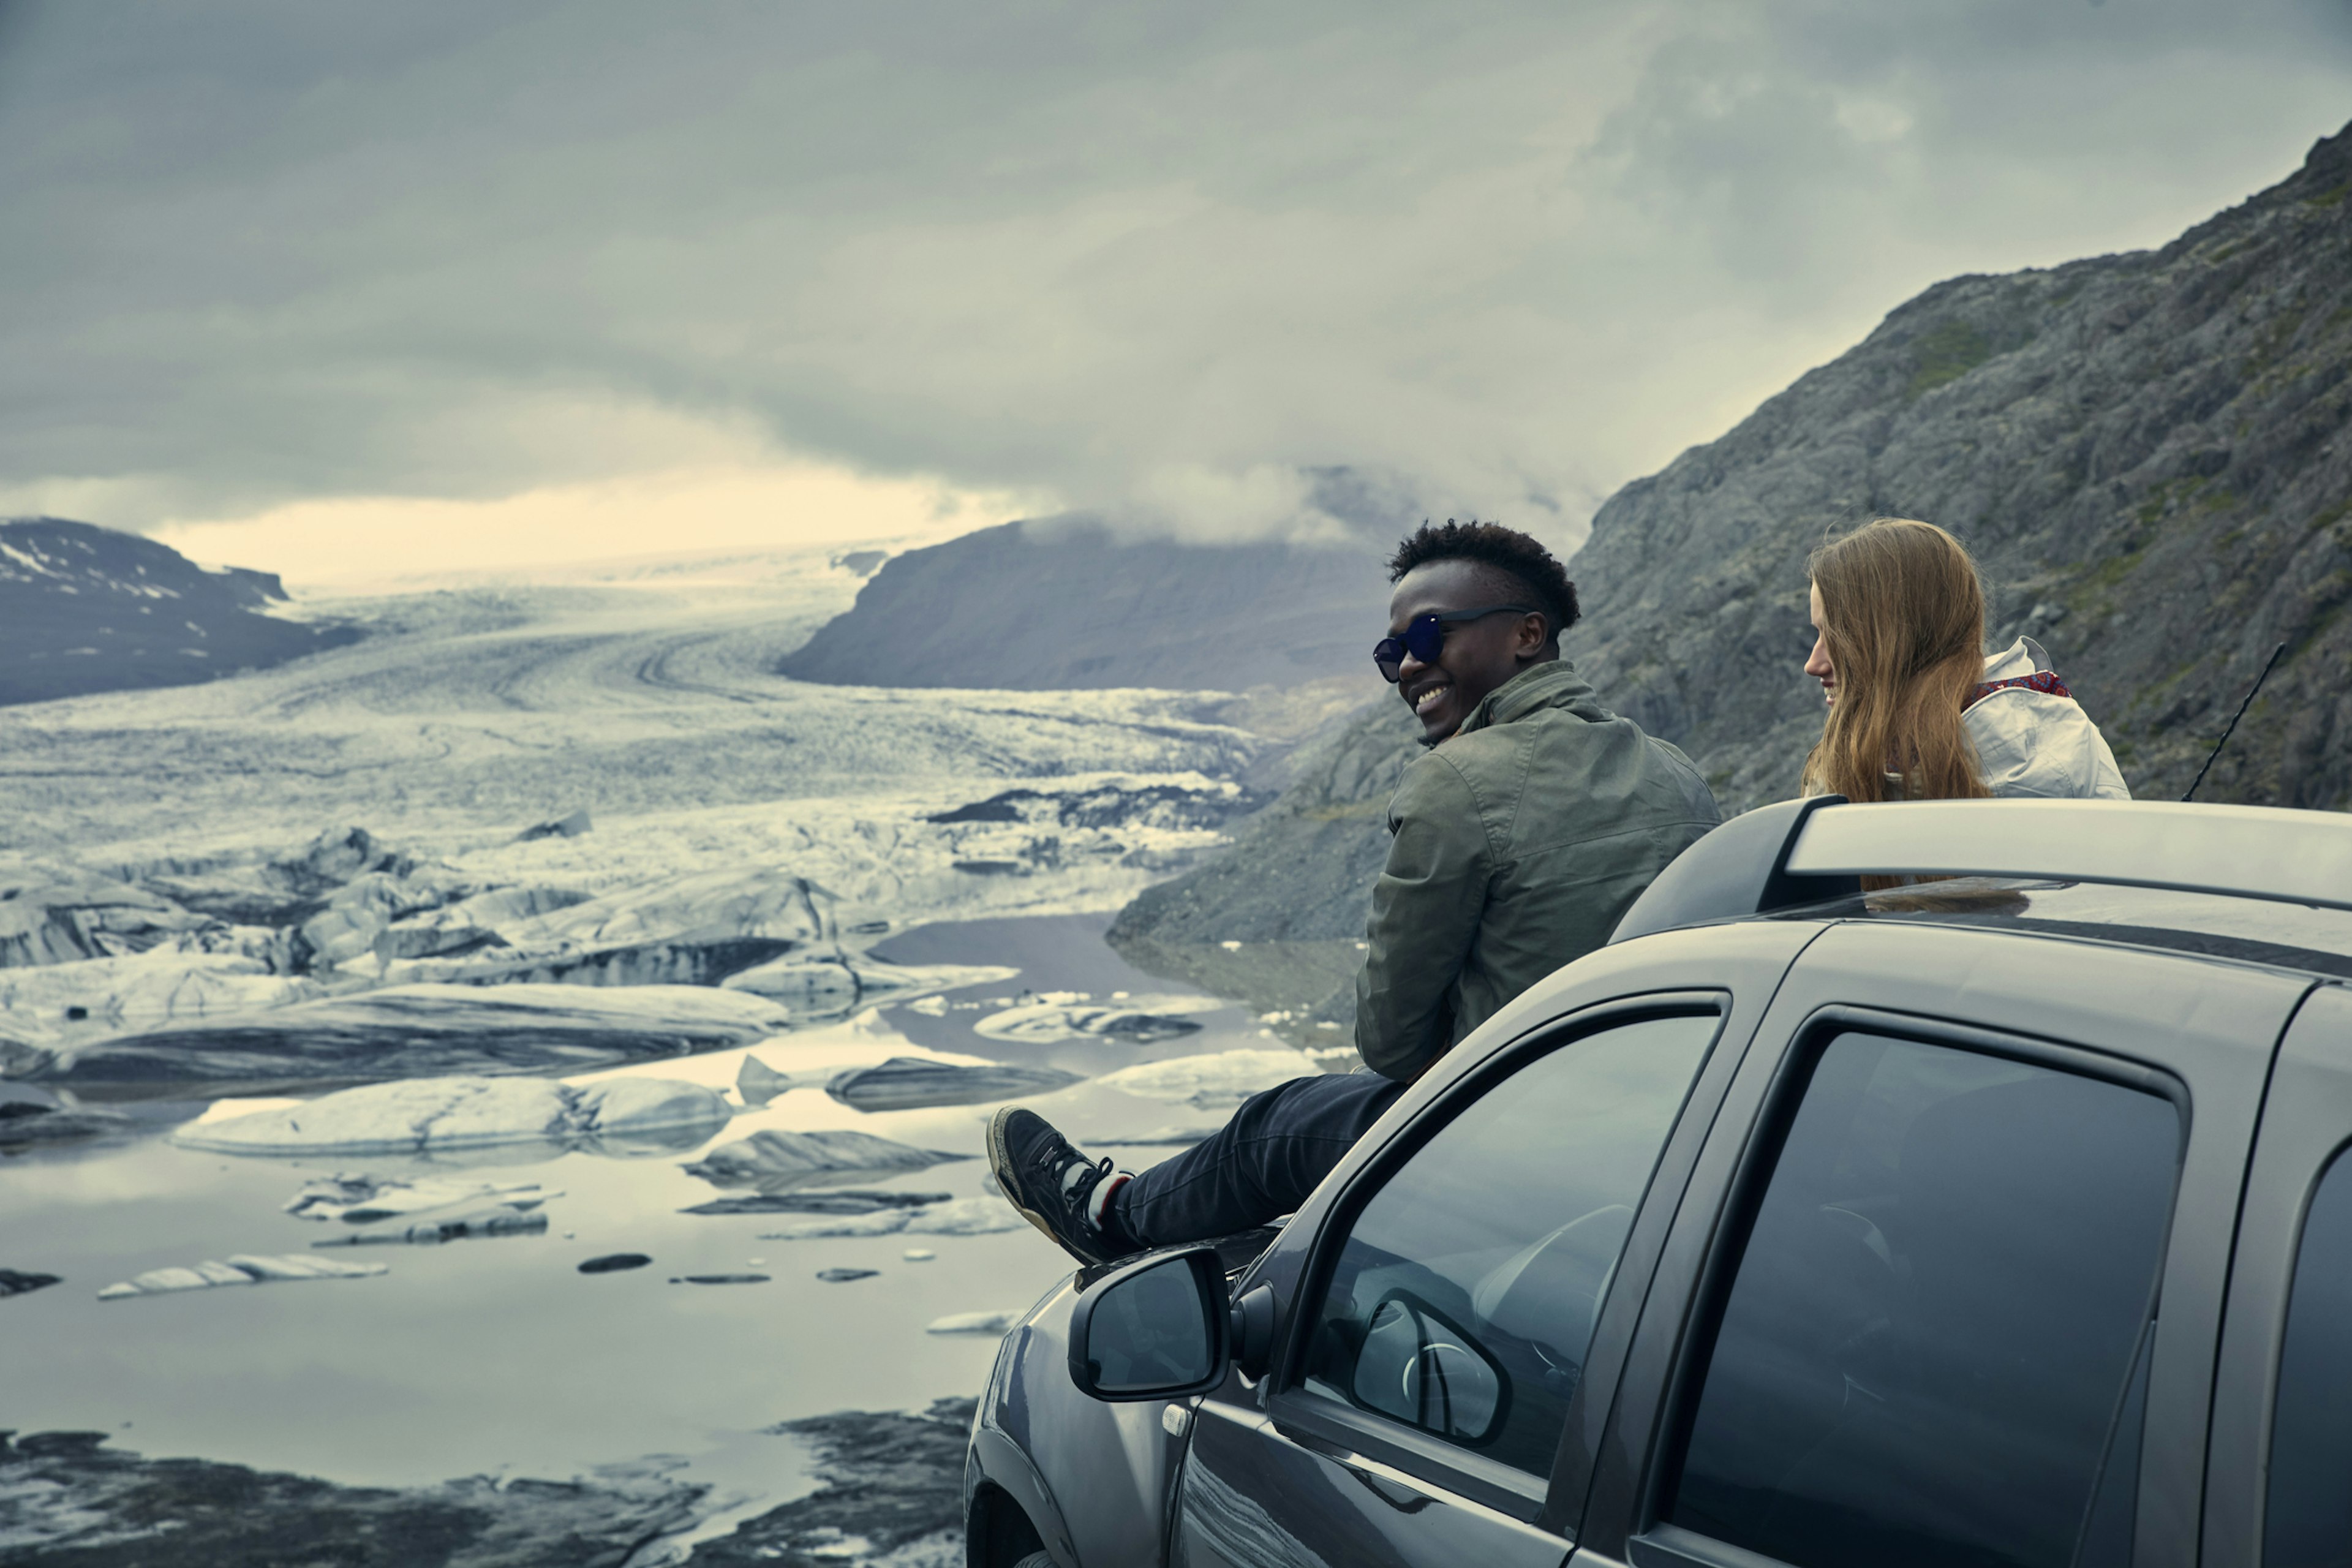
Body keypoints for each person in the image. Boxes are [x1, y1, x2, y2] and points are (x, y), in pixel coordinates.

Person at [989, 521, 1722, 1265]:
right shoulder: (1674, 768)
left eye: (1429, 635)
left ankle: (1108, 1214)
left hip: (1517, 1136)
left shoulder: (1458, 779)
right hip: (1669, 1123)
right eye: (1390, 651)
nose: (1407, 665)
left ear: (1528, 633)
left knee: (1273, 1129)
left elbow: (1390, 1041)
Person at [1801, 518, 2130, 801]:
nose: (1813, 665)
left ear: (1899, 639)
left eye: (1837, 637)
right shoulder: (2071, 735)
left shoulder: (1845, 782)